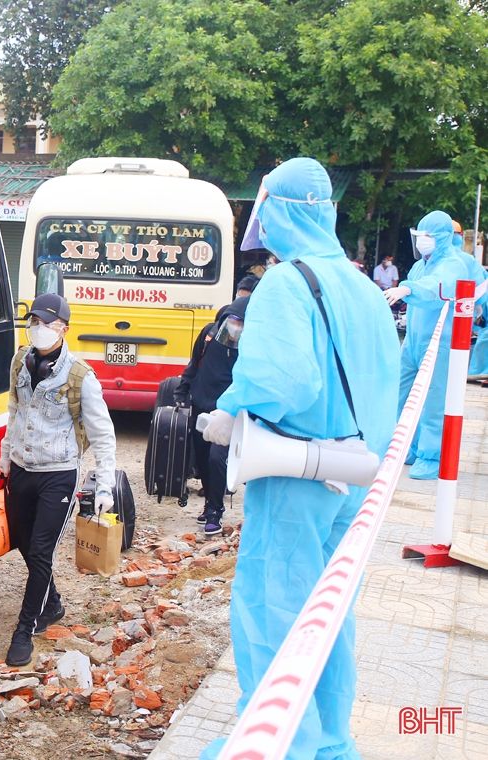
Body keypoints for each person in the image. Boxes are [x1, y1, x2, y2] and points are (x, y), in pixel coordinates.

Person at [199, 158, 398, 759]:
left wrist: (228, 411)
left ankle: (281, 743)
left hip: (296, 474)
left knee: (276, 613)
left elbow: (283, 382)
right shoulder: (364, 287)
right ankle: (330, 741)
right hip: (356, 475)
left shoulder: (288, 283)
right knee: (329, 614)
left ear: (278, 210)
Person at [0, 292, 117, 667]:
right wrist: (4, 456)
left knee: (41, 550)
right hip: (20, 468)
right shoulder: (20, 360)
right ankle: (52, 602)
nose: (39, 329)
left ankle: (24, 629)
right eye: (34, 322)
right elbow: (14, 410)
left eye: (47, 324)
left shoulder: (80, 375)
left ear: (64, 328)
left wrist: (105, 485)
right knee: (21, 541)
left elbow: (103, 434)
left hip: (58, 475)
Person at [384, 210, 474, 479]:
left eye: (428, 236)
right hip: (412, 343)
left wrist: (409, 289)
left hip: (440, 345)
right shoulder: (420, 264)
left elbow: (439, 285)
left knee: (435, 402)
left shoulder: (454, 263)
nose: (423, 240)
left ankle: (431, 455)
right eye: (420, 235)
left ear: (444, 238)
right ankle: (406, 446)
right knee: (402, 396)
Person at [173, 296, 249, 536]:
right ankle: (209, 503)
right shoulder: (209, 334)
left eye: (241, 323)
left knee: (217, 458)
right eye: (232, 321)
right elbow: (195, 363)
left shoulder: (251, 347)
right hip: (201, 404)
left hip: (228, 411)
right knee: (203, 458)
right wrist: (183, 389)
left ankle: (216, 510)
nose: (235, 327)